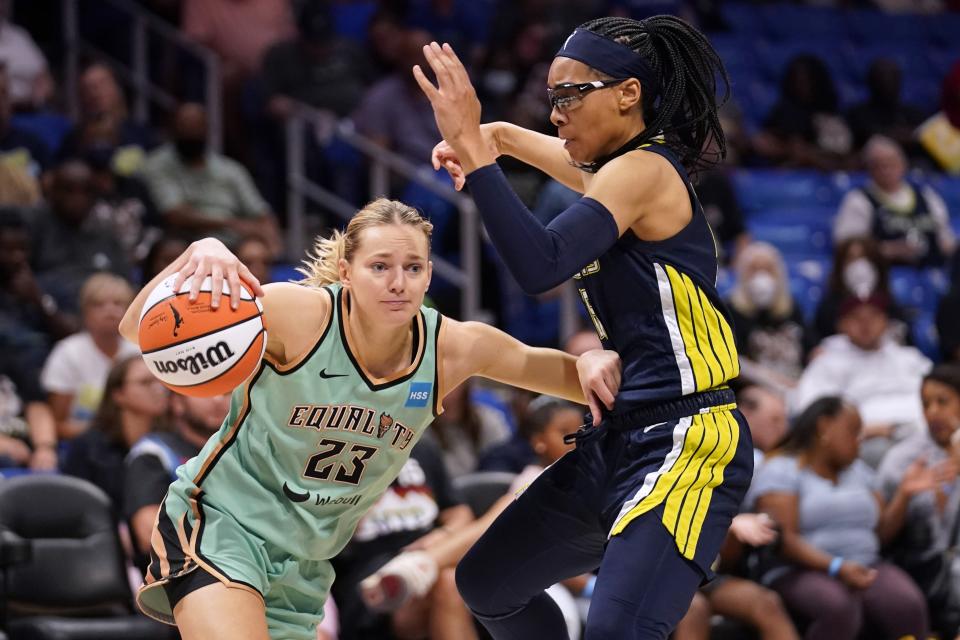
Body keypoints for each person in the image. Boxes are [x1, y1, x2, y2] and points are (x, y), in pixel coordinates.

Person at [117, 198, 620, 640]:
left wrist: (590, 361)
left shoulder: (450, 347)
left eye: (413, 267)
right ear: (345, 271)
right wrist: (197, 253)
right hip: (221, 525)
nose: (398, 283)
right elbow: (138, 330)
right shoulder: (299, 315)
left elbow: (551, 369)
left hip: (306, 561)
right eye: (379, 266)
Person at [416, 15, 754, 638]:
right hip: (620, 437)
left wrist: (473, 146)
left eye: (571, 94)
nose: (557, 113)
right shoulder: (619, 177)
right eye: (551, 98)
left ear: (629, 94)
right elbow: (574, 172)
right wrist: (499, 139)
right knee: (487, 583)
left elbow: (539, 264)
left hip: (688, 438)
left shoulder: (647, 171)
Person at [751, 397, 930, 640]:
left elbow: (880, 535)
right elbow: (783, 540)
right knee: (838, 607)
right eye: (854, 432)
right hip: (798, 570)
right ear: (824, 427)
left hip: (865, 563)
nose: (860, 441)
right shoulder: (781, 469)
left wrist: (904, 495)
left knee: (907, 604)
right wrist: (836, 567)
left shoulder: (860, 472)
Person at [330, 436, 477, 640]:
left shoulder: (421, 446)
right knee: (446, 582)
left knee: (447, 581)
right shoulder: (334, 450)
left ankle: (419, 565)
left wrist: (443, 535)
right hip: (373, 576)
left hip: (428, 550)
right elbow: (325, 539)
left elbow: (459, 512)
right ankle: (417, 568)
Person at [794, 294, 932, 465]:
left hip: (927, 431)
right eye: (856, 317)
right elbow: (812, 411)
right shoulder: (827, 362)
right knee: (878, 451)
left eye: (874, 315)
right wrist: (866, 430)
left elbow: (944, 392)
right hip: (870, 440)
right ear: (841, 324)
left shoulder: (909, 357)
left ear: (886, 322)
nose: (866, 323)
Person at [877, 364, 960, 637]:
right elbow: (882, 537)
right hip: (920, 566)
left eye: (942, 402)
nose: (932, 412)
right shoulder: (903, 458)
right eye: (926, 404)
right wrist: (904, 494)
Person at [139, 103, 280, 254]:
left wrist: (270, 237)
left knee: (254, 251)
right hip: (187, 242)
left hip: (233, 244)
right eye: (185, 127)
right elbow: (175, 215)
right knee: (173, 249)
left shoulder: (230, 169)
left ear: (207, 130)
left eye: (196, 127)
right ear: (172, 129)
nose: (191, 133)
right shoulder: (158, 164)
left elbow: (261, 212)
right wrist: (232, 224)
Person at [62, 354, 169, 511]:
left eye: (160, 381)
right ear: (119, 395)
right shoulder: (88, 447)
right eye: (145, 382)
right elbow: (73, 505)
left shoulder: (174, 441)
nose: (158, 389)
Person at [40, 273, 139, 440]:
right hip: (83, 444)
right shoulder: (68, 353)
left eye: (118, 303)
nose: (110, 311)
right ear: (85, 312)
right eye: (99, 304)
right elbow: (58, 424)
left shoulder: (138, 351)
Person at [834, 135, 954, 268]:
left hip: (930, 272)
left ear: (903, 164)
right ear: (869, 169)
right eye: (879, 165)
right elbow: (847, 249)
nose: (886, 170)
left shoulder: (926, 196)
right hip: (884, 276)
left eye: (891, 163)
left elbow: (945, 241)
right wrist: (888, 250)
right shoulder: (858, 200)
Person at [726, 242, 812, 390]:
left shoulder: (792, 307)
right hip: (755, 389)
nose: (761, 276)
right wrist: (774, 381)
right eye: (754, 269)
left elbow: (812, 348)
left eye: (768, 269)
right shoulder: (730, 310)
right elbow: (734, 363)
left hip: (797, 384)